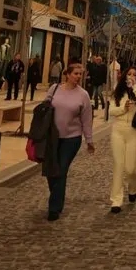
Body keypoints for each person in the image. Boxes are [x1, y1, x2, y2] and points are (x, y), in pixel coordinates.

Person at [45, 62, 94, 221]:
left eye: (80, 74)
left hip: (72, 138)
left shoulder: (83, 95)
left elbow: (87, 120)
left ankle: (54, 208)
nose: (78, 77)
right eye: (75, 73)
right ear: (67, 74)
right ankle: (57, 197)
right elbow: (44, 108)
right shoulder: (54, 89)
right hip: (52, 137)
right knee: (51, 171)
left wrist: (89, 140)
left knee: (61, 169)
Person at [108, 65, 136, 213]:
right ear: (124, 76)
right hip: (118, 130)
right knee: (119, 165)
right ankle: (116, 200)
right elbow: (111, 111)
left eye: (134, 75)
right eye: (129, 74)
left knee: (130, 168)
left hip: (133, 131)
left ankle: (133, 188)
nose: (131, 77)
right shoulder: (117, 92)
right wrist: (123, 108)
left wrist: (135, 88)